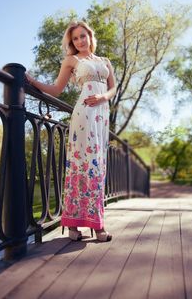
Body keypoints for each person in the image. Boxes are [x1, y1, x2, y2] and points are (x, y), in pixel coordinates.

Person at [26, 21, 116, 242]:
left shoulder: (105, 61)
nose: (79, 41)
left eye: (83, 36)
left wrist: (103, 97)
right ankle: (76, 223)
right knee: (81, 166)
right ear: (72, 42)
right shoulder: (72, 60)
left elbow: (113, 88)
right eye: (75, 38)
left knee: (98, 168)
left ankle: (96, 223)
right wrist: (32, 81)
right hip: (84, 116)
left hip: (102, 117)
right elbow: (56, 89)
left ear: (90, 36)